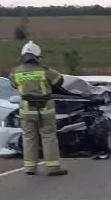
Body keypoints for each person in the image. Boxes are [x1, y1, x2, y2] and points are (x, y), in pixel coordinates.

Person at [9, 41, 68, 176]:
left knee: (29, 138)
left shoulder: (15, 72)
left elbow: (13, 84)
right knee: (48, 137)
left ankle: (30, 167)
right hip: (45, 109)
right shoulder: (44, 71)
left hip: (26, 110)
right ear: (37, 57)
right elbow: (59, 80)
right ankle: (53, 168)